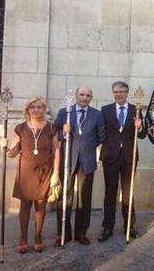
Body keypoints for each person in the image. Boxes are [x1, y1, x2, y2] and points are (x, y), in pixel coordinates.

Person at [4, 96, 60, 253]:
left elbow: (56, 151)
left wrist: (56, 173)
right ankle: (23, 237)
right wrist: (7, 149)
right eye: (32, 107)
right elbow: (14, 151)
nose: (36, 110)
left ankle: (37, 236)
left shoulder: (51, 128)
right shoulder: (21, 128)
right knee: (25, 205)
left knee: (41, 204)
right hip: (26, 172)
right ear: (28, 110)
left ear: (43, 108)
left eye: (39, 107)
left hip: (45, 171)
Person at [54, 86, 106, 246]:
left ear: (91, 98)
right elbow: (55, 133)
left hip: (87, 161)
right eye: (82, 95)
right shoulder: (65, 112)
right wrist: (64, 132)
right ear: (76, 96)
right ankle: (63, 233)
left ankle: (81, 233)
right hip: (68, 160)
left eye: (88, 95)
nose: (84, 98)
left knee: (84, 198)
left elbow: (101, 136)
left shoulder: (97, 115)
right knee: (65, 197)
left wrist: (87, 147)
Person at [98, 81, 146, 242]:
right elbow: (101, 132)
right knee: (110, 193)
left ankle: (129, 226)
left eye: (122, 91)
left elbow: (142, 134)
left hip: (129, 157)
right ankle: (107, 227)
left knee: (128, 194)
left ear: (127, 93)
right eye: (116, 91)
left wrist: (139, 127)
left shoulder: (136, 110)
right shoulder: (105, 110)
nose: (118, 94)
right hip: (110, 157)